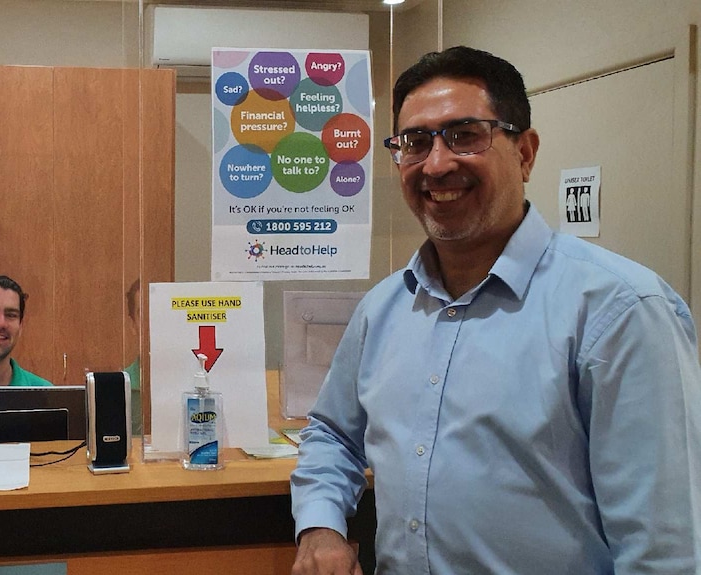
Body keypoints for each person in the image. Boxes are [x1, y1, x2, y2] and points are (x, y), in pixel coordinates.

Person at [290, 46, 700, 574]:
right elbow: (332, 434)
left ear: (525, 153)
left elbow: (663, 550)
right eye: (415, 143)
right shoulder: (384, 308)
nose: (436, 164)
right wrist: (321, 525)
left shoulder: (620, 311)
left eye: (465, 135)